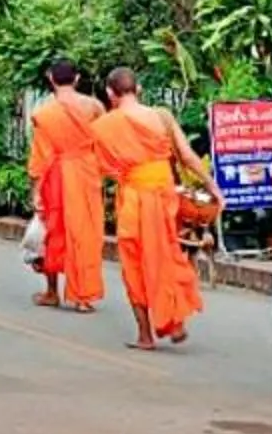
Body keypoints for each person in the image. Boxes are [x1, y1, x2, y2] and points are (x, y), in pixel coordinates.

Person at [91, 71, 213, 351]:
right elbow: (187, 156)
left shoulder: (104, 126)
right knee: (167, 255)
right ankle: (176, 320)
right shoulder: (161, 117)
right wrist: (211, 186)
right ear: (139, 88)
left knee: (134, 265)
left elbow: (105, 168)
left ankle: (145, 334)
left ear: (110, 93)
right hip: (162, 196)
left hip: (133, 198)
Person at [28, 58, 107, 312]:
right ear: (76, 78)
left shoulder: (44, 113)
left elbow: (40, 157)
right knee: (85, 232)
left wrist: (35, 191)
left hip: (56, 176)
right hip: (86, 173)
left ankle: (52, 291)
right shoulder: (94, 107)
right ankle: (83, 297)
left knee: (54, 231)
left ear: (51, 78)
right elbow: (105, 143)